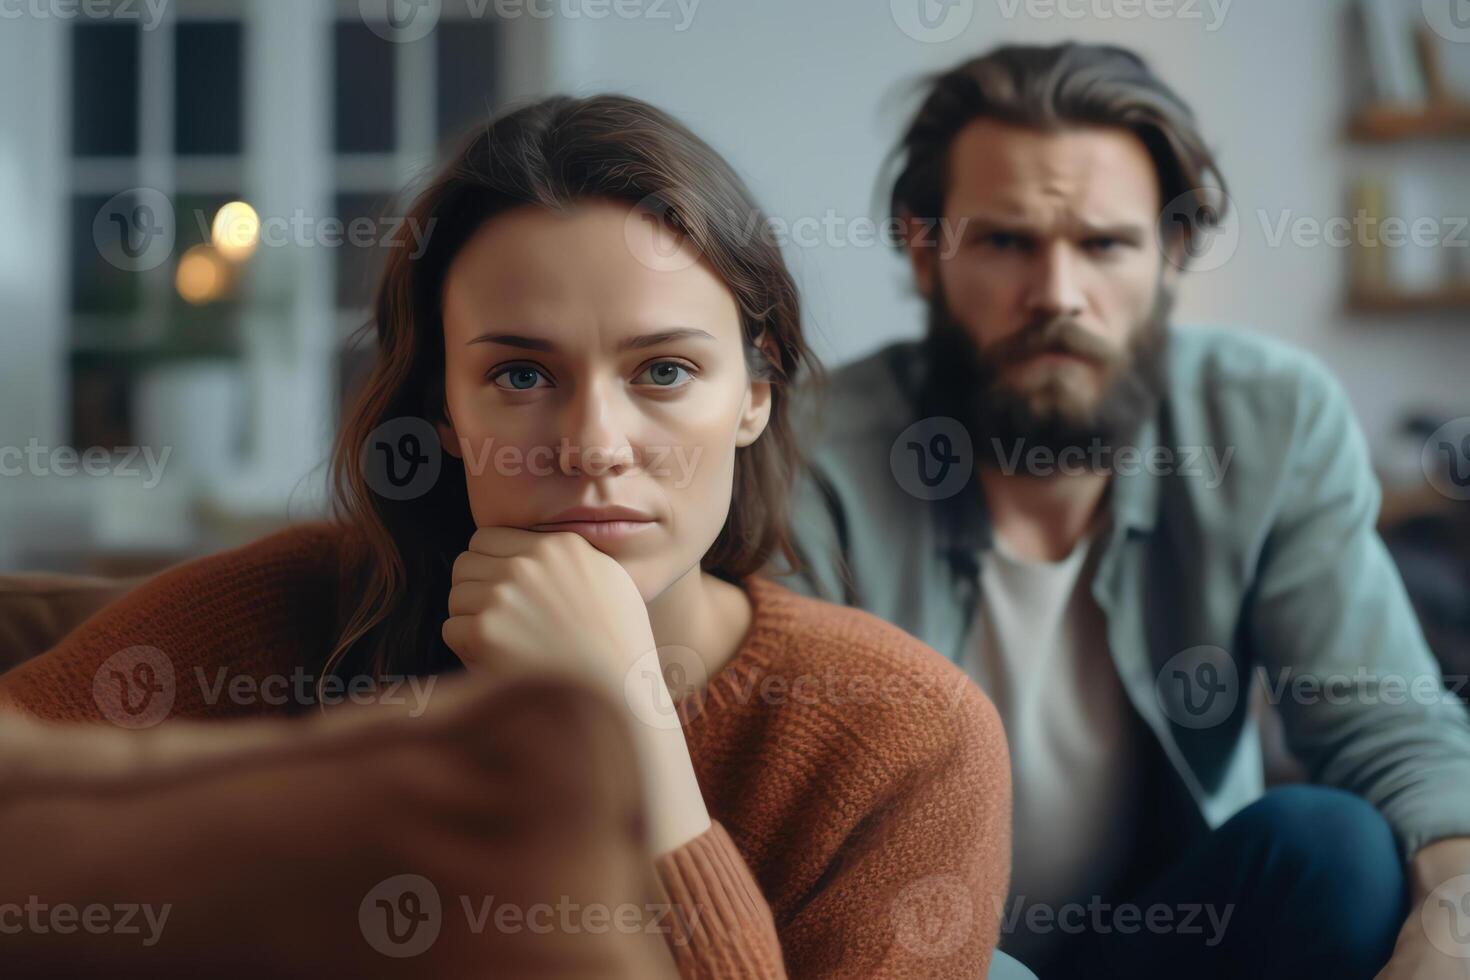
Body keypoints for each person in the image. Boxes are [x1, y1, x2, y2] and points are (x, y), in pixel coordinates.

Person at [0, 95, 1012, 977]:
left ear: (755, 391)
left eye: (663, 370)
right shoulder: (284, 616)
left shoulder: (908, 739)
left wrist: (632, 727)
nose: (592, 446)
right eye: (522, 375)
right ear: (444, 408)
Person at [770, 43, 1470, 978]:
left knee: (1333, 848)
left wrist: (1452, 924)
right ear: (925, 248)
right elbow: (783, 825)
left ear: (1171, 251)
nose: (1057, 296)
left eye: (1104, 244)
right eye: (1008, 241)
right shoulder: (806, 451)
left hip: (1165, 942)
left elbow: (1387, 723)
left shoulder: (1267, 418)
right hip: (915, 951)